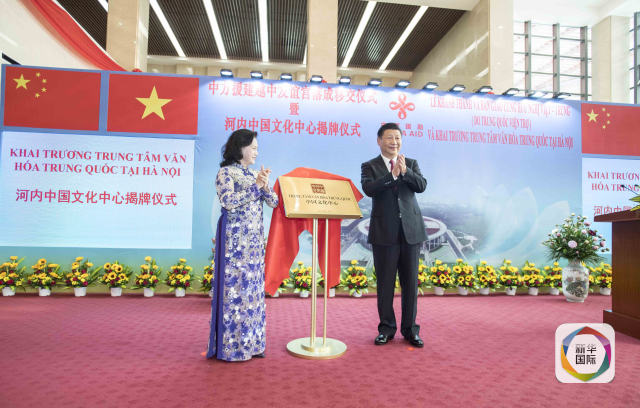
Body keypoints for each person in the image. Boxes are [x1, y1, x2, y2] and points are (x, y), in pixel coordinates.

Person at [207, 129, 278, 361]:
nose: (256, 152)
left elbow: (274, 202)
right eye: (253, 148)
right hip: (235, 243)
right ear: (240, 148)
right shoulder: (225, 172)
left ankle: (253, 344)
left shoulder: (254, 174)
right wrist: (256, 186)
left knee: (253, 292)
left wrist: (264, 184)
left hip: (254, 245)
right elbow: (228, 201)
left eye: (257, 148)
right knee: (236, 291)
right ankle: (233, 347)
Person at [360, 122, 427, 347]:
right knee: (385, 285)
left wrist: (405, 172)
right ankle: (386, 329)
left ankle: (410, 330)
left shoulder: (411, 163)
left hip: (411, 232)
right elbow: (369, 189)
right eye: (389, 138)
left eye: (397, 138)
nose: (394, 142)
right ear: (379, 141)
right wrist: (392, 175)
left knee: (410, 285)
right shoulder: (369, 166)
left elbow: (421, 186)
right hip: (384, 233)